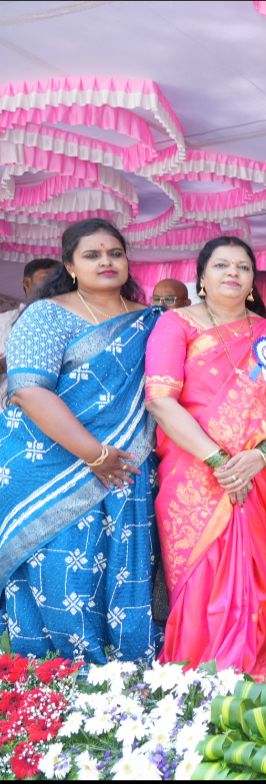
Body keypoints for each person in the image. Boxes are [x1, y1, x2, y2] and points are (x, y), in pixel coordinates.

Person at [0, 219, 159, 662]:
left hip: (126, 466)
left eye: (115, 253)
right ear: (69, 266)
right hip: (52, 467)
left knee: (123, 569)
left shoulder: (150, 321)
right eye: (92, 255)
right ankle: (53, 678)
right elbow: (29, 390)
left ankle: (124, 676)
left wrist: (109, 457)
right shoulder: (46, 315)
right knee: (63, 571)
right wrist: (95, 454)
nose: (106, 261)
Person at [145, 237, 266, 678]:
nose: (233, 272)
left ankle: (248, 679)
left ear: (252, 281)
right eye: (221, 265)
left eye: (242, 267)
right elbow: (160, 400)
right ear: (201, 277)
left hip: (258, 474)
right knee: (199, 580)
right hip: (195, 474)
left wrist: (261, 456)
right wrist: (220, 462)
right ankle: (191, 684)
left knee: (253, 582)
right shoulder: (175, 324)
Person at [0, 258, 61, 396]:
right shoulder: (4, 322)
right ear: (27, 283)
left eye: (60, 280)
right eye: (47, 278)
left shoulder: (72, 324)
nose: (55, 285)